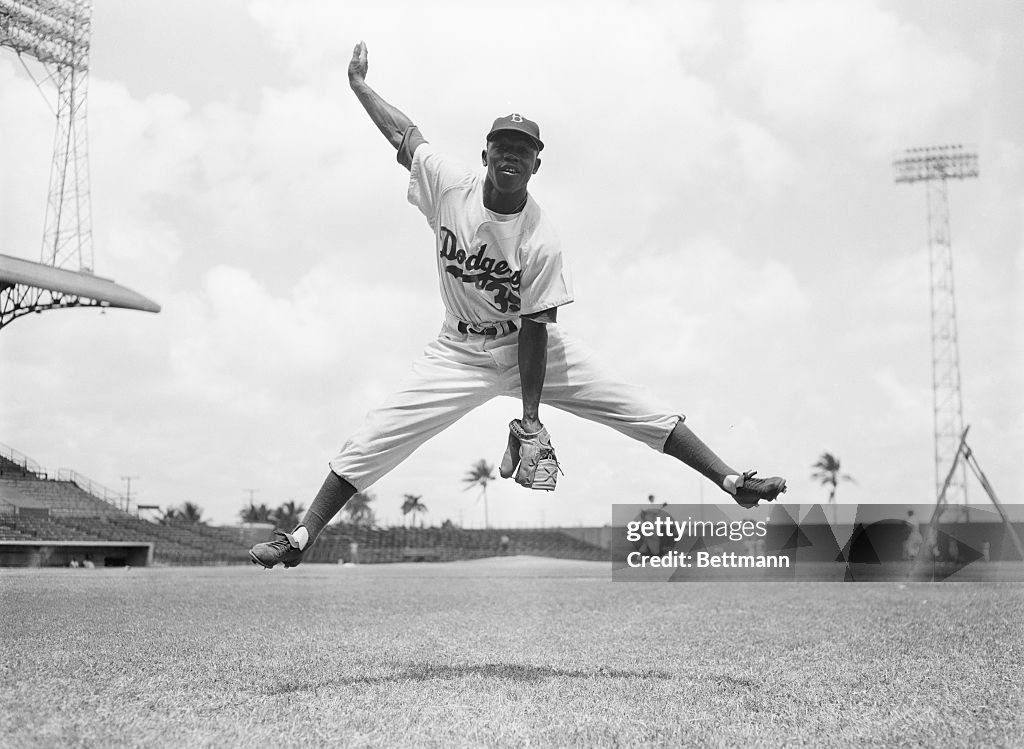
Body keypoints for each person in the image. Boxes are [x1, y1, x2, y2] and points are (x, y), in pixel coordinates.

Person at [249, 42, 786, 570]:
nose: (510, 155)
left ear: (536, 164)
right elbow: (404, 134)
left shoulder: (541, 241)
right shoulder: (448, 184)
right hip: (456, 350)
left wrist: (529, 418)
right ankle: (300, 536)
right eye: (501, 146)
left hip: (525, 344)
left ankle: (731, 481)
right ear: (485, 155)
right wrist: (360, 86)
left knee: (632, 405)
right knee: (380, 433)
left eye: (522, 149)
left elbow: (534, 333)